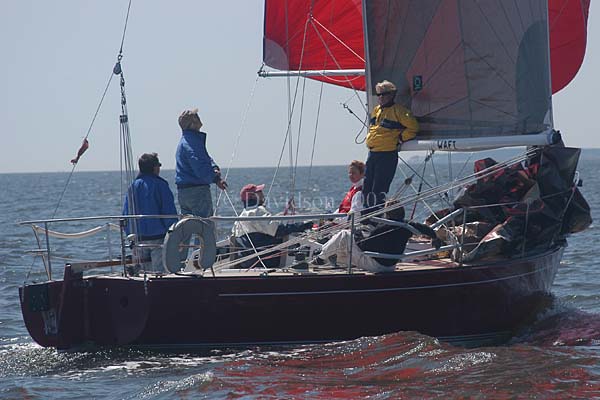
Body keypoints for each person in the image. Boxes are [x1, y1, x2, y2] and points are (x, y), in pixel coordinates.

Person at [314, 201, 437, 273]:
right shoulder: (407, 226)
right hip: (391, 266)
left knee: (344, 234)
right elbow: (424, 228)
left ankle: (321, 257)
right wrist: (435, 238)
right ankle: (330, 257)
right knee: (347, 245)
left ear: (387, 213)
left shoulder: (382, 228)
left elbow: (364, 245)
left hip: (377, 266)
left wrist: (356, 233)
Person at [363, 80, 419, 209]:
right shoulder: (376, 110)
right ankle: (366, 216)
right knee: (366, 188)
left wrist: (400, 138)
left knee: (379, 189)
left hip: (386, 155)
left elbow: (413, 127)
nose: (381, 97)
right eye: (379, 94)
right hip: (373, 154)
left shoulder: (399, 111)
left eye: (384, 94)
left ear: (392, 95)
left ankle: (376, 215)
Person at [232, 184, 312, 267]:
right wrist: (303, 225)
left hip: (247, 263)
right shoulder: (257, 211)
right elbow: (278, 230)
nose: (262, 194)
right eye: (259, 192)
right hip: (266, 262)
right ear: (253, 196)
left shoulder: (240, 218)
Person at [123, 153, 178, 272]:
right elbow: (169, 212)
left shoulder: (133, 187)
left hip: (138, 239)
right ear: (154, 167)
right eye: (158, 165)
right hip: (159, 238)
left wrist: (130, 235)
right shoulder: (161, 185)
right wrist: (175, 235)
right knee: (160, 273)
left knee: (142, 273)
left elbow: (126, 214)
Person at [175, 108, 227, 218]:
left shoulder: (187, 141)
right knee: (204, 225)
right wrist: (215, 178)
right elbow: (199, 164)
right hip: (197, 192)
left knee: (188, 225)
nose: (199, 118)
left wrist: (214, 167)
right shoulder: (192, 142)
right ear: (192, 123)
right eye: (196, 117)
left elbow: (205, 159)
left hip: (183, 192)